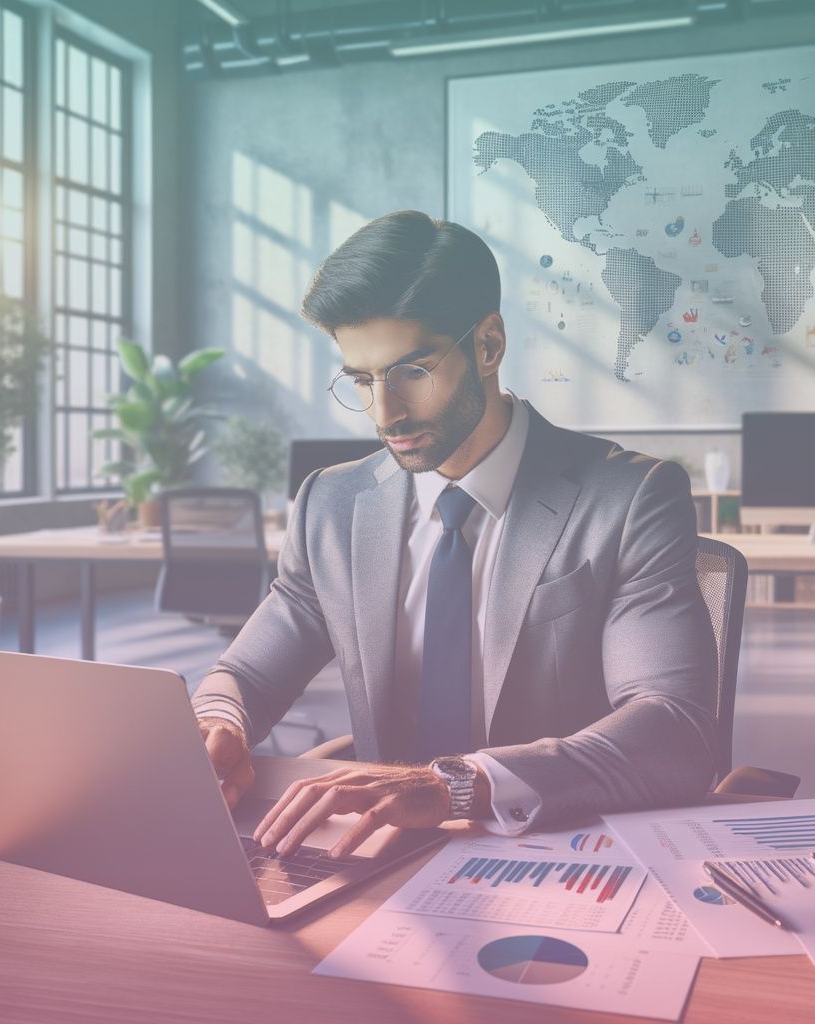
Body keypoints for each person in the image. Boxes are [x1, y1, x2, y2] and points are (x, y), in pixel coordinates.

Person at [193, 210, 716, 858]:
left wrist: (460, 787)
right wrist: (220, 721)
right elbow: (245, 675)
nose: (385, 413)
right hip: (377, 855)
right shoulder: (331, 505)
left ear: (488, 346)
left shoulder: (628, 498)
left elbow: (675, 731)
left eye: (412, 371)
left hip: (556, 853)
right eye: (362, 379)